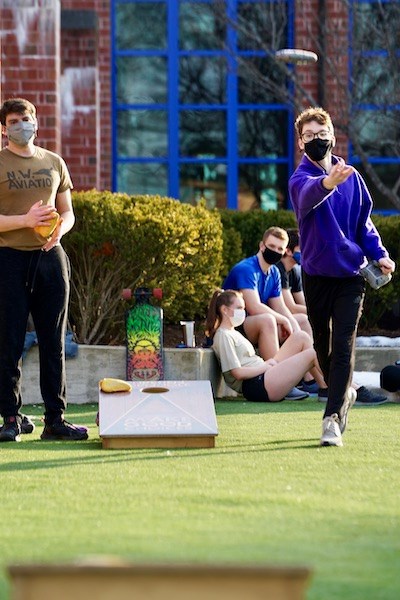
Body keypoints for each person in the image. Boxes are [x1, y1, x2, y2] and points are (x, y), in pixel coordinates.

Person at [289, 106, 395, 446]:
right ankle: (343, 392)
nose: (317, 140)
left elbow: (364, 224)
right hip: (317, 276)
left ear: (332, 137)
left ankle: (331, 419)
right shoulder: (300, 179)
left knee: (344, 345)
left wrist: (380, 254)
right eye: (309, 136)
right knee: (322, 346)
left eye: (322, 135)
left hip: (351, 276)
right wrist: (326, 183)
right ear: (300, 142)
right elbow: (307, 197)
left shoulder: (352, 177)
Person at [0, 97, 88, 442]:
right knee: (9, 340)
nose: (24, 124)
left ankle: (55, 419)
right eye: (16, 120)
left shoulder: (54, 162)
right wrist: (25, 220)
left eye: (28, 118)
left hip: (51, 258)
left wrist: (58, 232)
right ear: (4, 128)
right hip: (8, 258)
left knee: (54, 340)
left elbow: (67, 212)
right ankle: (10, 416)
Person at [277, 228, 389, 406]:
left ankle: (322, 383)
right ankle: (332, 385)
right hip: (277, 321)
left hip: (295, 315)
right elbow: (288, 307)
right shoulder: (281, 270)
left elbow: (301, 302)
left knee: (331, 336)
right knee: (309, 327)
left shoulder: (297, 271)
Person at [222, 225, 317, 399]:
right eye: (271, 246)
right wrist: (283, 320)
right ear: (262, 246)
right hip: (236, 325)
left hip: (256, 324)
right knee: (268, 319)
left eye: (280, 249)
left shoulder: (274, 272)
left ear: (284, 252)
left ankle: (310, 380)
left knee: (302, 320)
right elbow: (253, 306)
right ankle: (275, 376)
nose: (275, 251)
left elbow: (280, 306)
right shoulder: (246, 268)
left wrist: (293, 325)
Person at [205, 289, 325, 403]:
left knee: (301, 337)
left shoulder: (233, 332)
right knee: (312, 353)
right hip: (257, 384)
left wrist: (266, 365)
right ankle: (330, 388)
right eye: (239, 308)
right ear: (224, 310)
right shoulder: (223, 335)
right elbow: (237, 373)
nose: (243, 312)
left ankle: (325, 388)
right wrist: (265, 366)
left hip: (264, 374)